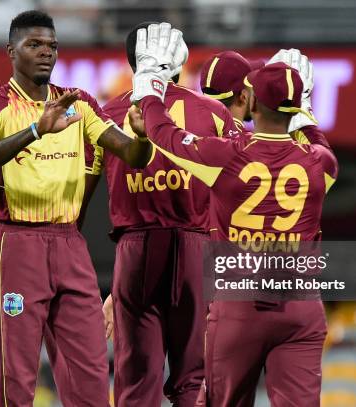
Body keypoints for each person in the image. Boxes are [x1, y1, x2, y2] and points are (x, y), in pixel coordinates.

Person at [128, 24, 338, 406]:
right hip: (302, 308)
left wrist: (150, 82)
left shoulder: (225, 157)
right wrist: (304, 108)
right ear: (295, 109)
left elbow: (163, 133)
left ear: (252, 105)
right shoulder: (320, 164)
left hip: (239, 307)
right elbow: (319, 143)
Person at [0, 10, 152, 407]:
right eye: (34, 45)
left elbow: (133, 156)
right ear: (11, 51)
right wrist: (35, 130)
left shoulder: (79, 103)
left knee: (91, 371)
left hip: (70, 244)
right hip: (16, 244)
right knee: (16, 378)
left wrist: (143, 135)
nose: (46, 53)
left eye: (51, 46)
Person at [90, 22, 240, 407]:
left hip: (135, 252)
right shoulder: (215, 112)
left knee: (136, 379)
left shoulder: (105, 114)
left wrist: (118, 287)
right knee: (195, 378)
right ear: (178, 59)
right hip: (198, 248)